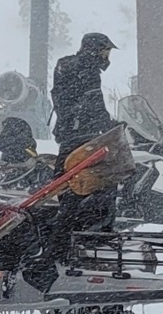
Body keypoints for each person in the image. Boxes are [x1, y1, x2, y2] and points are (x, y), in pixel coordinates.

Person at [27, 32, 121, 289]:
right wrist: (110, 127)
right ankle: (79, 245)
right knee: (100, 187)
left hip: (68, 139)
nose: (107, 57)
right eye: (105, 52)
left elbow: (64, 101)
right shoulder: (88, 70)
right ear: (95, 50)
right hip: (86, 141)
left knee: (68, 194)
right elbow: (93, 105)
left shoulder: (65, 65)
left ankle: (57, 247)